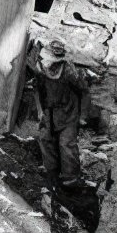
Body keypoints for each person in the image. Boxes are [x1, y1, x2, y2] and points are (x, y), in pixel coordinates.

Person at [26, 36, 91, 192]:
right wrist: (40, 111)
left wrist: (83, 116)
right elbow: (36, 90)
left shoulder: (69, 71)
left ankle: (71, 178)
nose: (47, 62)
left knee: (66, 144)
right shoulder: (40, 69)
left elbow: (84, 91)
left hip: (68, 111)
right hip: (48, 110)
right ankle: (52, 174)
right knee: (45, 139)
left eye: (51, 61)